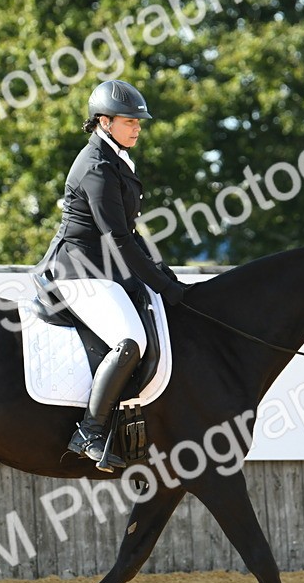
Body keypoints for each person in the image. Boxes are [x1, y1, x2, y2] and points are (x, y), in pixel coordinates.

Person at [33, 79, 188, 466]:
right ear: (104, 122)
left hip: (102, 269)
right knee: (130, 339)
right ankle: (90, 430)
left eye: (139, 122)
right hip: (77, 271)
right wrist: (164, 286)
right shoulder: (96, 166)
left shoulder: (116, 158)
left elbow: (130, 234)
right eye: (129, 121)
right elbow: (118, 239)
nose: (137, 127)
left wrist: (161, 272)